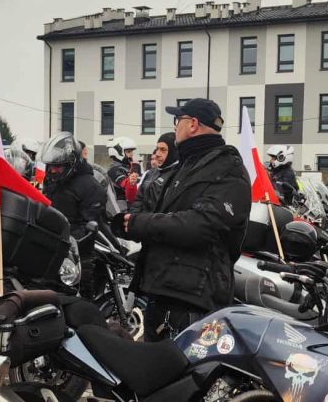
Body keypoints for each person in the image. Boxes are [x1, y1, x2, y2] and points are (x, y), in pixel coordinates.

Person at [123, 99, 250, 339]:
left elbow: (200, 225)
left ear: (192, 124)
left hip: (192, 299)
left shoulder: (227, 168)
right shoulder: (189, 165)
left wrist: (141, 223)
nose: (175, 127)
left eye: (177, 121)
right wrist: (132, 223)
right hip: (166, 290)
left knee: (177, 373)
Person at [41, 132, 107, 288]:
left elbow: (89, 227)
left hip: (78, 255)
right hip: (53, 249)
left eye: (57, 166)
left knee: (80, 302)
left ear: (71, 163)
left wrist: (67, 241)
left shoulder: (90, 187)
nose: (52, 171)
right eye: (50, 166)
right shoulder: (53, 181)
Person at [136, 132, 178, 213]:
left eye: (163, 150)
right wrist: (134, 219)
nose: (157, 154)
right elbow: (138, 200)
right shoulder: (150, 173)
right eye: (157, 149)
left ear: (173, 151)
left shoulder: (179, 174)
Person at [105, 136, 140, 208]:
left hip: (131, 206)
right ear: (118, 152)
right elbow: (128, 184)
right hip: (121, 208)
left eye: (132, 151)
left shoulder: (127, 167)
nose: (131, 154)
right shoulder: (114, 169)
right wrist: (135, 170)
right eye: (128, 151)